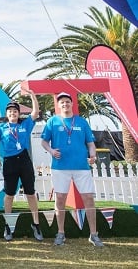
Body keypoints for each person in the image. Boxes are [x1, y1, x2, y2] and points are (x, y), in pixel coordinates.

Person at [40, 92, 104, 248]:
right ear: (58, 105)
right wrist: (51, 151)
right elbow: (43, 141)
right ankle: (60, 233)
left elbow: (90, 143)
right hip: (60, 167)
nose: (65, 104)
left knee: (88, 198)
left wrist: (93, 156)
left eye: (67, 102)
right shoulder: (52, 121)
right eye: (62, 102)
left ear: (72, 104)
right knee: (60, 199)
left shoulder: (81, 122)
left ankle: (94, 234)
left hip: (81, 166)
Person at [0, 86, 43, 242]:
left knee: (30, 193)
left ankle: (36, 224)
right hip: (9, 162)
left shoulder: (25, 124)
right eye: (10, 112)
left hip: (24, 160)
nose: (12, 114)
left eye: (15, 111)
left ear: (19, 113)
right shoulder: (1, 127)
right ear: (6, 114)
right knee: (9, 195)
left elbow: (35, 113)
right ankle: (8, 225)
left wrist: (33, 96)